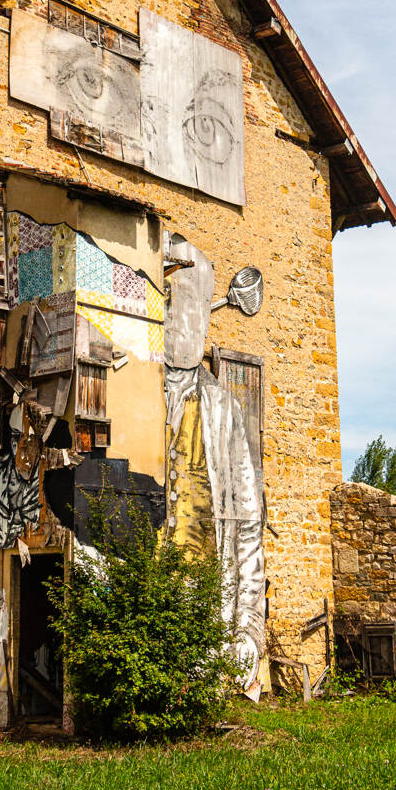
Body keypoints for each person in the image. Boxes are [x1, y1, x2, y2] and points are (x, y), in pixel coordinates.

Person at [164, 233, 265, 695]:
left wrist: (247, 629)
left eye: (196, 304)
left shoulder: (226, 411)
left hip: (207, 601)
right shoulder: (123, 387)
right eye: (173, 300)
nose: (185, 319)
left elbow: (247, 526)